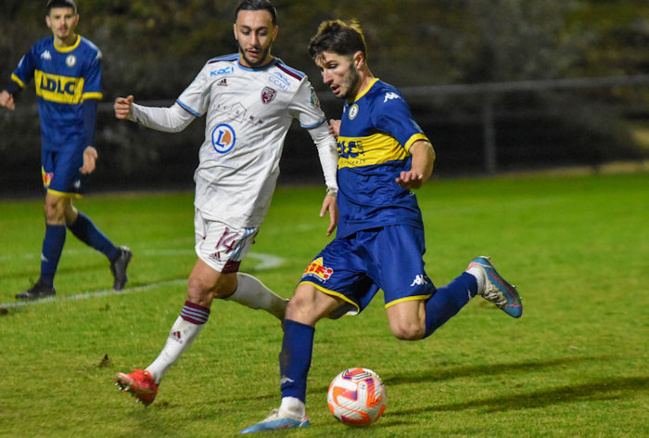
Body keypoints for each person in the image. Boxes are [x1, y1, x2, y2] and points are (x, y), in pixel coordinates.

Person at [240, 19, 523, 433]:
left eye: (332, 66)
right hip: (352, 234)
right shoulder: (353, 105)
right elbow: (361, 147)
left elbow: (421, 146)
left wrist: (419, 174)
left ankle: (476, 278)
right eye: (321, 68)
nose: (326, 77)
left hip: (390, 227)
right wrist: (338, 184)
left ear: (357, 60)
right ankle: (291, 409)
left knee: (409, 327)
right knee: (302, 307)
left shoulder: (386, 100)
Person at [112, 0, 339, 406]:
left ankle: (152, 375)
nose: (254, 40)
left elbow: (322, 136)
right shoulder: (215, 70)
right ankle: (286, 311)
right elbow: (177, 118)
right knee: (222, 284)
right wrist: (136, 115)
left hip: (243, 207)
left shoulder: (292, 82)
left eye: (263, 31)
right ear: (235, 31)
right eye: (247, 31)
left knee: (200, 285)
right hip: (207, 197)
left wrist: (333, 188)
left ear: (275, 33)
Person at [0, 0, 132, 300]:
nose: (62, 23)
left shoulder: (88, 56)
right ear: (48, 21)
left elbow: (88, 106)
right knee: (65, 212)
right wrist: (10, 91)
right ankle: (116, 255)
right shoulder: (40, 50)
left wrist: (87, 146)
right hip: (50, 143)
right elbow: (21, 73)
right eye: (56, 17)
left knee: (52, 206)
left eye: (67, 17)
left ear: (76, 20)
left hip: (74, 141)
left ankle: (46, 285)